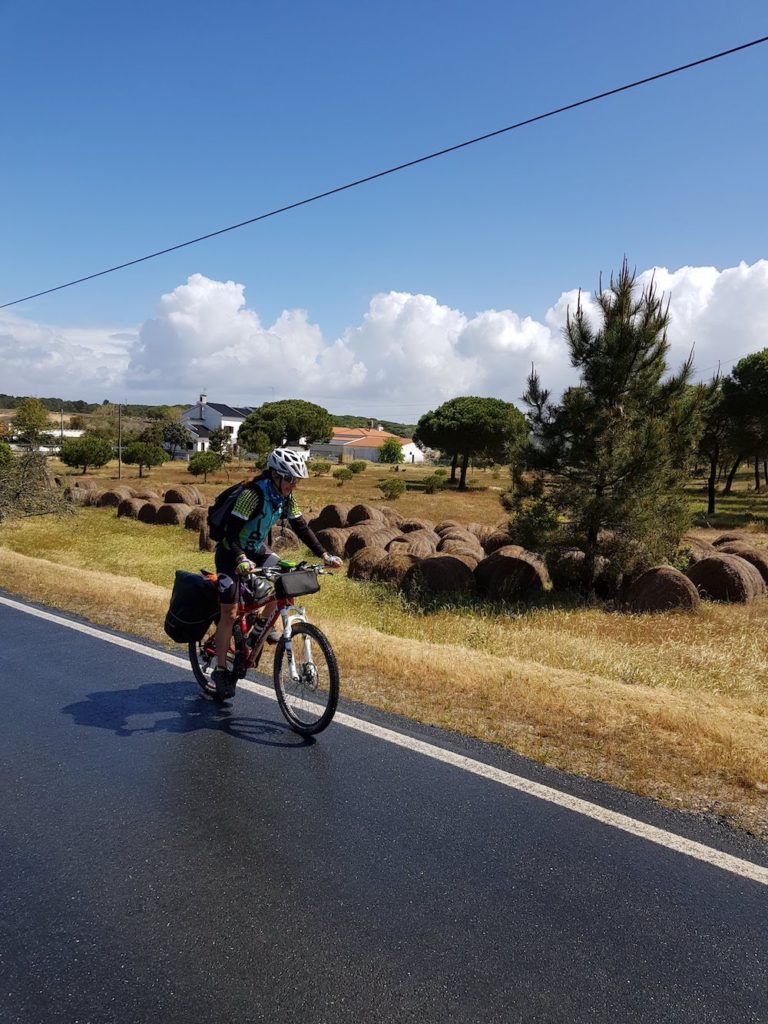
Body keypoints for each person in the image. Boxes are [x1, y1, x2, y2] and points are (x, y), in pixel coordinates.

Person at [208, 447, 342, 699]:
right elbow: (232, 533)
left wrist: (325, 555)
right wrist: (240, 558)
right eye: (290, 479)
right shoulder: (252, 494)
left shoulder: (285, 498)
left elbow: (301, 527)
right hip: (231, 553)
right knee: (230, 612)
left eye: (296, 481)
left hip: (257, 550)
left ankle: (260, 629)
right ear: (275, 475)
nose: (294, 485)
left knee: (284, 578)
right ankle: (221, 670)